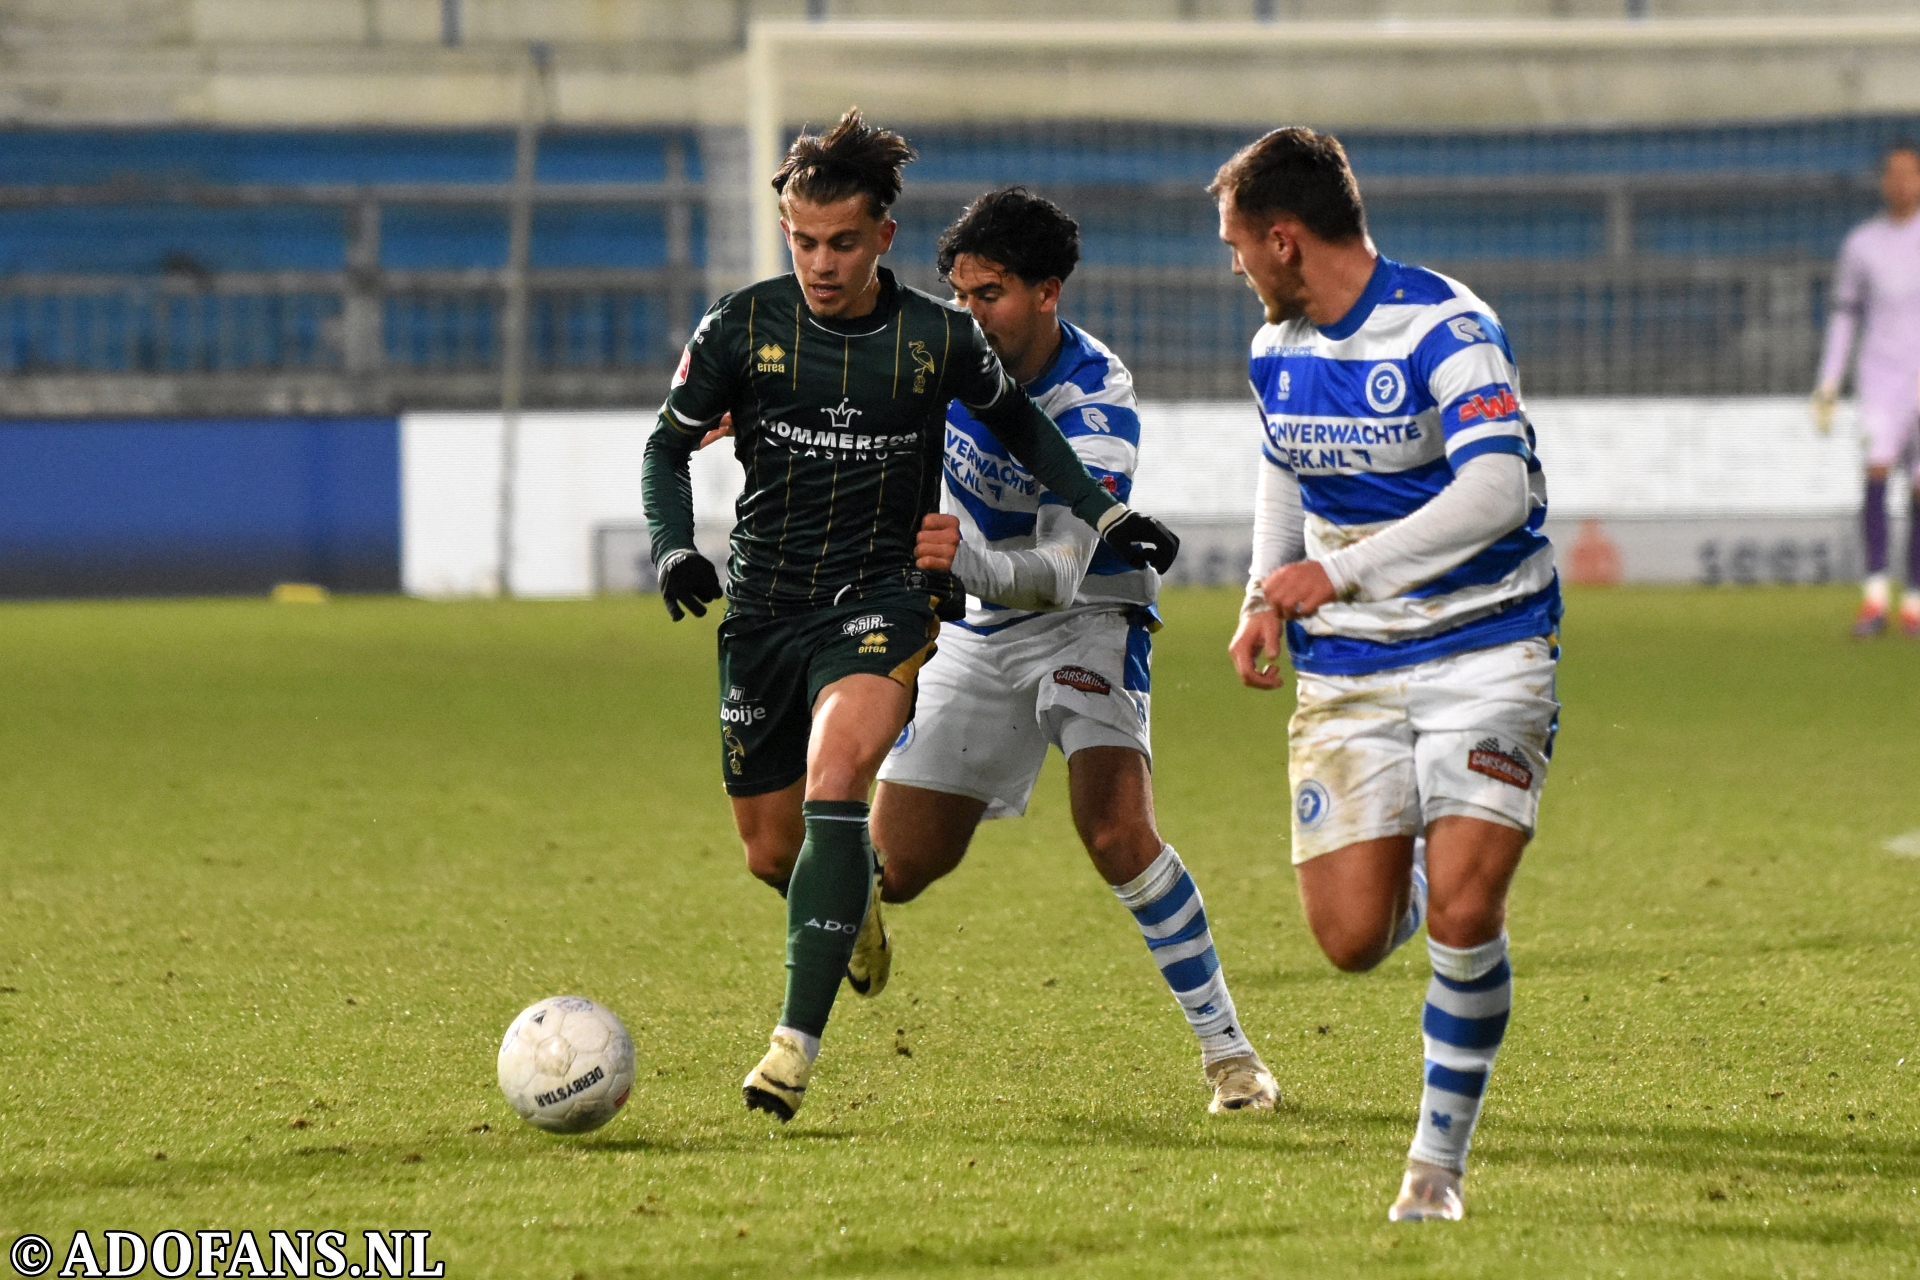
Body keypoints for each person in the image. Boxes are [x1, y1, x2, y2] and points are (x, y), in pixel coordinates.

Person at [641, 110, 1179, 1123]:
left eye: (842, 241)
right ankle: (856, 920)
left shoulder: (965, 347)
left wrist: (1106, 514)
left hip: (932, 604)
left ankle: (791, 1050)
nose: (821, 262)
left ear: (881, 237)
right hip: (779, 606)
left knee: (851, 776)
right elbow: (667, 445)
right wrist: (676, 536)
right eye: (803, 241)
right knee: (789, 850)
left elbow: (1041, 479)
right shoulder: (745, 325)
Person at [1213, 127, 1560, 1222]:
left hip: (1486, 647)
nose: (1234, 268)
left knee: (1465, 910)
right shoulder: (1276, 347)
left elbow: (1498, 489)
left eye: (1237, 247)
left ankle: (1435, 1166)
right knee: (1352, 937)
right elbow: (1282, 471)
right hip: (1351, 671)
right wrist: (1265, 593)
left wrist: (1341, 570)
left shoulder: (1446, 327)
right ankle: (1426, 853)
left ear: (1284, 237)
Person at [871, 187, 1279, 1114]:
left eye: (993, 294)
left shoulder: (1097, 402)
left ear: (1048, 291)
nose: (971, 313)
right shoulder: (936, 353)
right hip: (980, 624)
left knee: (1114, 830)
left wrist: (962, 560)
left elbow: (1060, 567)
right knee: (896, 871)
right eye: (962, 293)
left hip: (1087, 612)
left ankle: (1231, 1059)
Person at [1814, 141, 1920, 638]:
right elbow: (1844, 317)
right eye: (1894, 174)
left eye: (1910, 173)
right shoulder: (1862, 244)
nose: (1902, 183)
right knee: (1876, 471)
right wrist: (1829, 382)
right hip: (1880, 378)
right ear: (1883, 181)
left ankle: (1915, 600)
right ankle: (1875, 596)